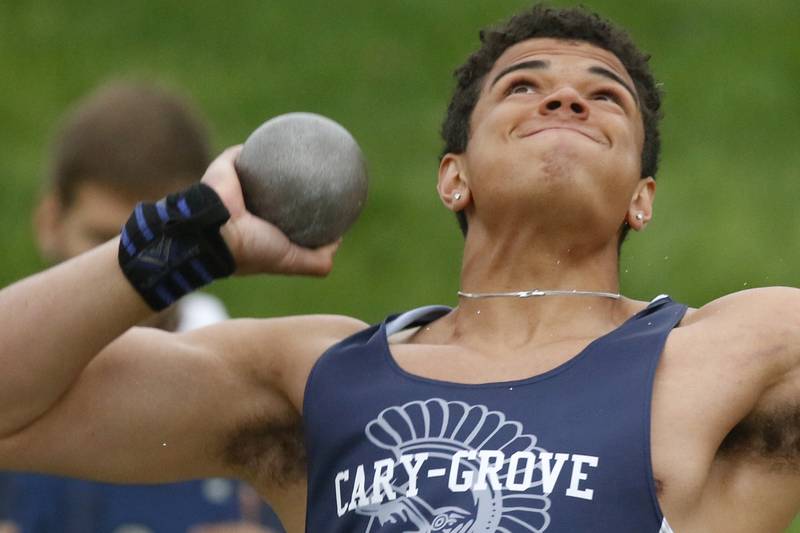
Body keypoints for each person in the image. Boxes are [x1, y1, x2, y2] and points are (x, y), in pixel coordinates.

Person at [0, 4, 798, 532]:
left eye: (605, 97)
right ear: (456, 174)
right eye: (524, 87)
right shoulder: (313, 380)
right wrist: (166, 253)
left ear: (642, 198)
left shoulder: (725, 359)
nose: (566, 101)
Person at [0, 82, 281, 533]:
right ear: (50, 221)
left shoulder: (270, 404)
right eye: (103, 241)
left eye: (162, 245)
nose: (128, 270)